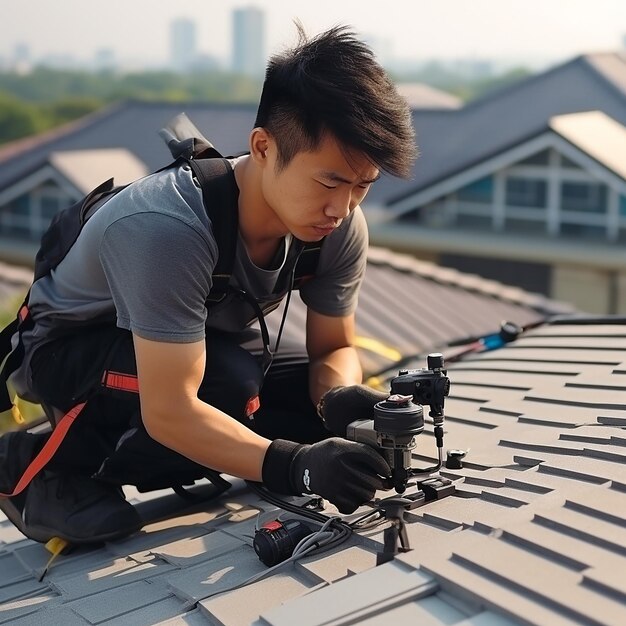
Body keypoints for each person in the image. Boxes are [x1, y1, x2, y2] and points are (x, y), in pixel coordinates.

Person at [0, 25, 416, 544]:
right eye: (329, 181)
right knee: (228, 388)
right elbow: (171, 408)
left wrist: (336, 398)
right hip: (69, 353)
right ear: (263, 148)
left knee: (306, 412)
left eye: (362, 186)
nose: (344, 206)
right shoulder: (166, 228)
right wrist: (296, 467)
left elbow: (334, 345)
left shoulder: (338, 225)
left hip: (187, 340)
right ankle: (43, 466)